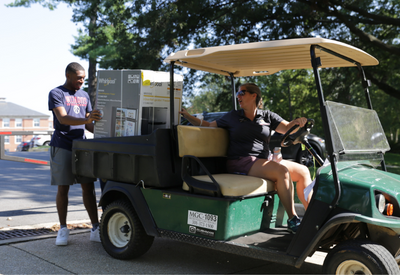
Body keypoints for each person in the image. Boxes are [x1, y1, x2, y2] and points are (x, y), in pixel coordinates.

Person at [180, 83, 313, 234]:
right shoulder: (233, 116)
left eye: (242, 93)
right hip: (241, 160)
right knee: (282, 172)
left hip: (263, 160)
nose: (238, 96)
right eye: (238, 93)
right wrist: (189, 117)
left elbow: (287, 128)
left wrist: (297, 122)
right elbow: (209, 125)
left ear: (253, 95)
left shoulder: (267, 116)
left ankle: (312, 218)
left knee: (303, 171)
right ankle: (293, 219)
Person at [49, 62, 102, 245]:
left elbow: (88, 125)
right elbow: (62, 119)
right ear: (68, 75)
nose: (82, 81)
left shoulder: (84, 95)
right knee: (63, 188)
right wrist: (87, 118)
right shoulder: (56, 93)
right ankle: (63, 229)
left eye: (83, 78)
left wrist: (106, 131)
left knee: (88, 187)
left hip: (82, 147)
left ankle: (95, 228)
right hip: (62, 145)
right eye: (79, 78)